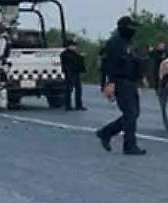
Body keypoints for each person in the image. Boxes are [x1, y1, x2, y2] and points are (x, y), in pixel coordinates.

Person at [96, 16, 147, 155]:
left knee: (134, 113)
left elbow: (135, 61)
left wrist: (141, 77)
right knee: (130, 113)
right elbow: (108, 65)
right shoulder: (114, 44)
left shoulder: (129, 43)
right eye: (132, 28)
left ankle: (106, 132)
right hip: (119, 81)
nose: (134, 31)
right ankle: (129, 145)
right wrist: (110, 83)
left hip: (131, 81)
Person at [59, 39, 86, 109]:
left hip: (76, 73)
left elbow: (79, 61)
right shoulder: (65, 54)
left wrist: (81, 57)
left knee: (78, 89)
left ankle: (78, 105)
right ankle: (67, 105)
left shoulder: (74, 53)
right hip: (69, 73)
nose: (74, 47)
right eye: (73, 46)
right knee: (69, 89)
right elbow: (71, 62)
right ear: (69, 46)